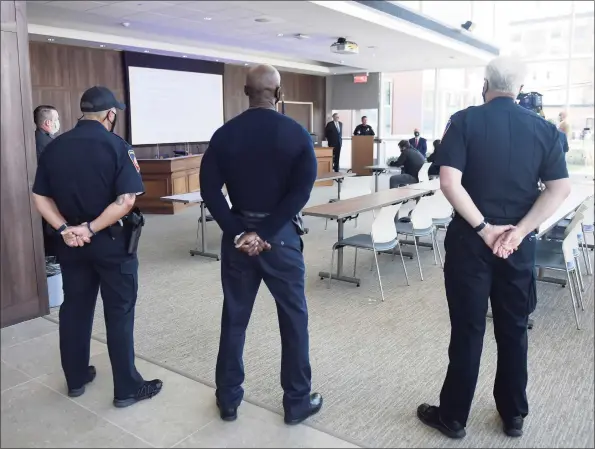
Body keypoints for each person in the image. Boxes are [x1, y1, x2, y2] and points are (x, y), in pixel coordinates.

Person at [417, 56, 570, 439]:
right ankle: (513, 414)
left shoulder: (465, 121)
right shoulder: (544, 129)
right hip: (517, 247)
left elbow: (450, 183)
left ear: (485, 84)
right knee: (514, 328)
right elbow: (559, 189)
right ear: (520, 88)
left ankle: (453, 417)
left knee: (467, 330)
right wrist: (517, 232)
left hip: (471, 242)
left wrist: (485, 229)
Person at [200, 64, 323, 425]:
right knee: (293, 319)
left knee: (235, 319)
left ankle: (228, 399)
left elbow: (210, 191)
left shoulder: (224, 135)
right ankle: (297, 402)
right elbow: (302, 191)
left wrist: (240, 232)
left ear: (245, 92)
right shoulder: (297, 134)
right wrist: (267, 231)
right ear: (279, 94)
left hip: (237, 239)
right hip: (281, 238)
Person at [32, 86, 163, 408]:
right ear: (110, 115)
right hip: (111, 242)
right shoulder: (117, 146)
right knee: (119, 312)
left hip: (70, 244)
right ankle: (127, 389)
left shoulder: (55, 147)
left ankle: (75, 378)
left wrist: (66, 229)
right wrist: (90, 228)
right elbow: (127, 200)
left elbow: (39, 197)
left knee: (75, 308)